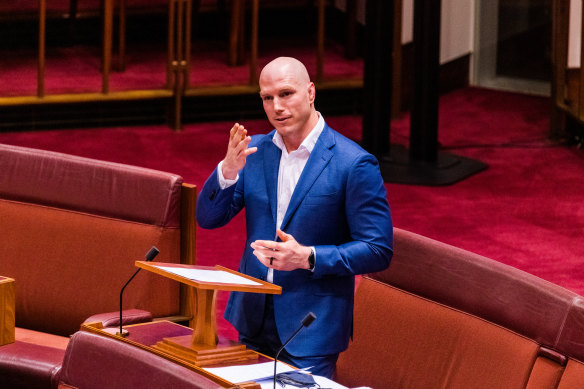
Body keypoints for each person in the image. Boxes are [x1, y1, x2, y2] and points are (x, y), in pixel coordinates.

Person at [196, 56, 393, 378]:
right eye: (267, 98)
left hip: (311, 325)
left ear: (311, 92)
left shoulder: (353, 163)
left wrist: (309, 257)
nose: (277, 107)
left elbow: (377, 249)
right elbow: (208, 219)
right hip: (252, 315)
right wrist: (228, 171)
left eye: (286, 94)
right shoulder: (255, 152)